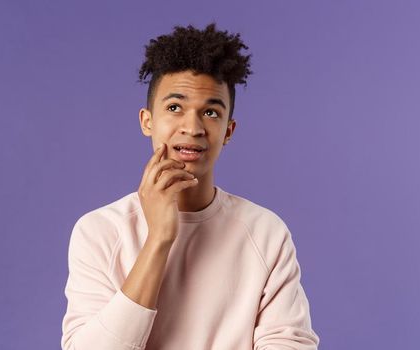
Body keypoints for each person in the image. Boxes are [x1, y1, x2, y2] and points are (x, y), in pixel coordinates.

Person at [61, 23, 319, 349]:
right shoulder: (99, 231)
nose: (193, 127)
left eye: (211, 112)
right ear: (147, 120)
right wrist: (159, 239)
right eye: (174, 108)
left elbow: (290, 344)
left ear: (228, 131)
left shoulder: (265, 232)